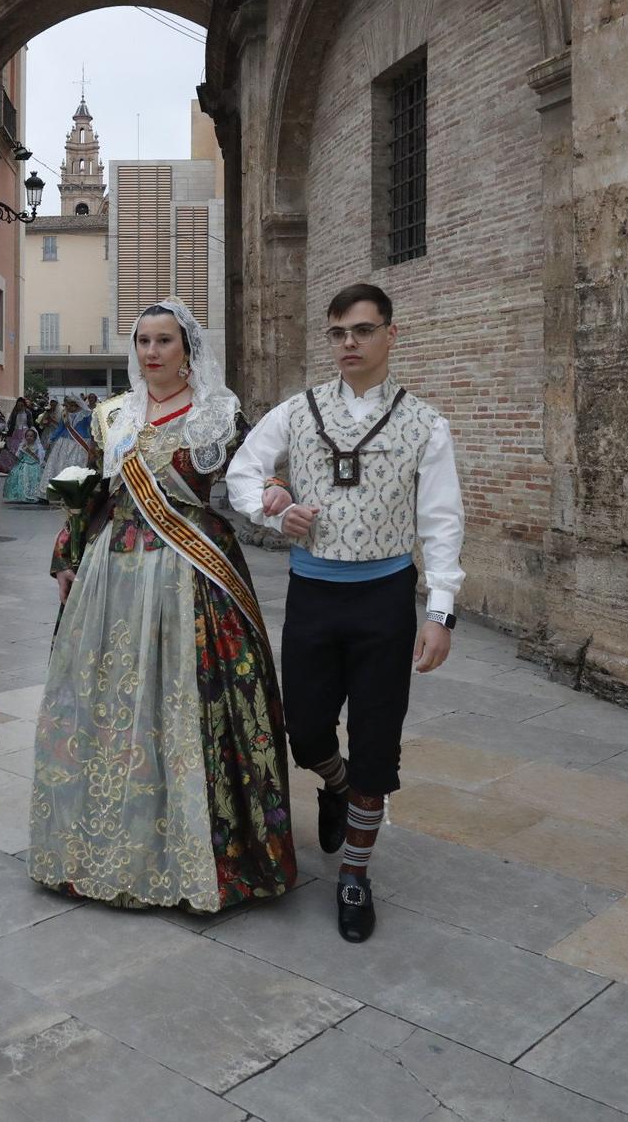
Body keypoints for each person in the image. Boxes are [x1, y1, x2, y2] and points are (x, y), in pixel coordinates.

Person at [30, 299, 296, 913]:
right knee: (113, 701)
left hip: (193, 569)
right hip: (114, 568)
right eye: (144, 341)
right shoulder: (112, 415)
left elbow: (250, 475)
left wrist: (279, 492)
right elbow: (92, 491)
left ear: (187, 349)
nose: (152, 352)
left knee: (191, 697)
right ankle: (110, 841)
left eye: (165, 341)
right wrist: (67, 555)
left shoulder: (217, 414)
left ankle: (209, 848)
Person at [226, 282, 463, 944]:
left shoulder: (426, 424)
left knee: (377, 743)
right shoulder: (297, 412)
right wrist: (272, 504)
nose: (349, 343)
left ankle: (354, 873)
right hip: (314, 592)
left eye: (362, 330)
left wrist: (440, 611)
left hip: (386, 597)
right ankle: (332, 783)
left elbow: (442, 522)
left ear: (392, 334)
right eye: (338, 333)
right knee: (303, 728)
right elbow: (244, 471)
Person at [35, 397, 94, 501]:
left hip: (80, 444)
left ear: (77, 405)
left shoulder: (86, 414)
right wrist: (51, 439)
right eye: (67, 405)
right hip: (64, 443)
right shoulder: (64, 414)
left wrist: (93, 443)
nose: (69, 408)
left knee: (76, 466)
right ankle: (53, 492)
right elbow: (60, 428)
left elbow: (92, 428)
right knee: (58, 466)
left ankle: (75, 493)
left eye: (71, 405)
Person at [2, 415, 47, 504]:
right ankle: (21, 495)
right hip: (24, 464)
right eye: (27, 436)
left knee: (35, 478)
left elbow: (40, 457)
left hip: (35, 465)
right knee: (19, 475)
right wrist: (20, 451)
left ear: (35, 437)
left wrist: (41, 464)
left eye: (31, 436)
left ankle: (35, 495)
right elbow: (18, 456)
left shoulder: (38, 446)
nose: (29, 438)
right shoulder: (22, 445)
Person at [0, 395, 33, 478]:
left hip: (25, 433)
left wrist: (31, 433)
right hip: (15, 433)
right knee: (13, 450)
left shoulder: (28, 413)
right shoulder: (15, 413)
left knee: (24, 450)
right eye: (18, 405)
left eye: (22, 405)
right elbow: (10, 423)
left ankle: (23, 467)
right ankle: (12, 467)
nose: (20, 407)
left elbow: (30, 424)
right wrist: (8, 432)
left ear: (24, 405)